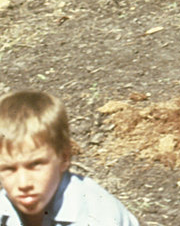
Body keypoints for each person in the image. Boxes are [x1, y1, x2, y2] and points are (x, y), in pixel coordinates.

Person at [0, 90, 140, 225]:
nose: (24, 183)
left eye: (35, 165)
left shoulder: (95, 217)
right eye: (9, 169)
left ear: (64, 157)